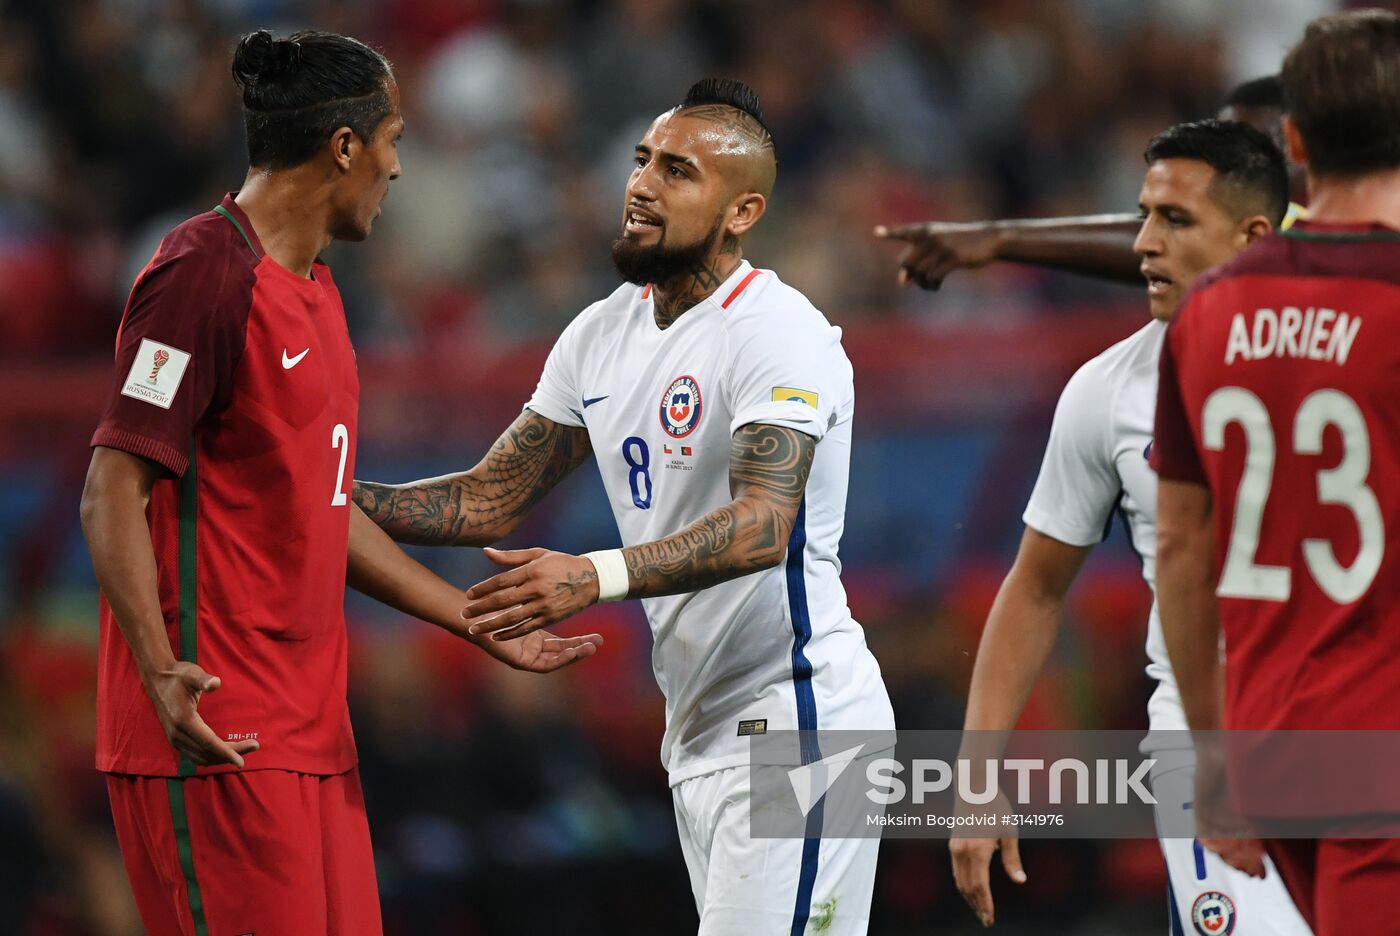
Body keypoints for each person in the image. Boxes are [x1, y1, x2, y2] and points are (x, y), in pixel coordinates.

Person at [79, 30, 600, 936]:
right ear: (346, 146)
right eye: (393, 139)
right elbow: (109, 488)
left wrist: (472, 620)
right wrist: (162, 673)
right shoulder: (201, 272)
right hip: (215, 728)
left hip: (315, 733)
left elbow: (319, 508)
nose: (398, 169)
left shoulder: (317, 289)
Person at [354, 78, 895, 935]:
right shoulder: (601, 333)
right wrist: (315, 487)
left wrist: (593, 575)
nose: (641, 184)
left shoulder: (777, 332)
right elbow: (489, 497)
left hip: (800, 722)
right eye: (643, 160)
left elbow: (764, 522)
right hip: (699, 732)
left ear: (742, 210)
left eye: (677, 171)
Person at [948, 119, 1310, 934]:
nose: (1143, 243)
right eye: (1144, 215)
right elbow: (1035, 587)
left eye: (1175, 221)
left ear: (1254, 238)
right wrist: (977, 777)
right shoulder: (1106, 392)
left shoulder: (1348, 360)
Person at [1155, 10, 1400, 933]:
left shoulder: (1211, 309)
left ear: (1292, 140)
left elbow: (1180, 546)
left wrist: (1214, 759)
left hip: (1275, 749)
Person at [873, 76, 1307, 290]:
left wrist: (999, 238)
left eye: (1255, 144)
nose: (1226, 163)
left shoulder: (1328, 243)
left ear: (1301, 146)